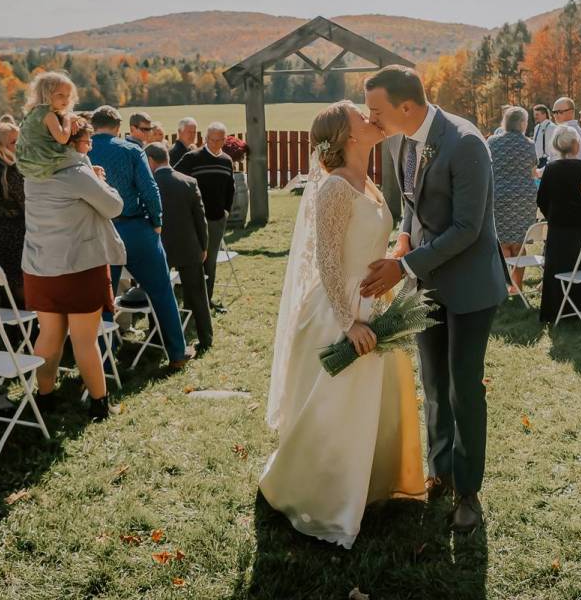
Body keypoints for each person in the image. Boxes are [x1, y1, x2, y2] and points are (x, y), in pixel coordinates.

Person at [259, 101, 425, 549]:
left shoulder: (367, 181)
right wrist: (349, 322)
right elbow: (327, 260)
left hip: (373, 297)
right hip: (338, 310)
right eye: (359, 114)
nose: (370, 116)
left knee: (368, 402)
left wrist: (398, 252)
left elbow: (366, 241)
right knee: (334, 406)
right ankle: (323, 496)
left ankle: (365, 484)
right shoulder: (334, 187)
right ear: (347, 135)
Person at [362, 66, 507, 533]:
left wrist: (402, 267)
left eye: (377, 109)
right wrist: (404, 240)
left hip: (469, 288)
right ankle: (441, 470)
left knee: (464, 387)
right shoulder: (401, 140)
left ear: (406, 106)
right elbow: (411, 203)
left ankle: (469, 490)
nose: (372, 117)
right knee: (433, 382)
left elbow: (467, 228)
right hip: (427, 282)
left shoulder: (466, 144)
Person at [22, 140, 126, 420]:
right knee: (84, 340)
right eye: (85, 138)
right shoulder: (78, 173)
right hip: (78, 267)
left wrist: (92, 179)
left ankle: (44, 398)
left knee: (49, 334)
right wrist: (98, 181)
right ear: (70, 142)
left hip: (40, 266)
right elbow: (114, 206)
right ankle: (99, 404)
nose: (90, 144)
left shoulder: (33, 173)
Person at [89, 105, 191, 369]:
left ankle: (104, 362)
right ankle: (177, 354)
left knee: (103, 300)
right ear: (119, 126)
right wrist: (156, 222)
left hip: (101, 230)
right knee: (161, 291)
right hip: (136, 228)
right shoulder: (132, 150)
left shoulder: (83, 152)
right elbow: (149, 190)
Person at [146, 142, 214, 354]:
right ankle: (205, 338)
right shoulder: (188, 182)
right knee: (197, 295)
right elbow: (200, 220)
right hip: (188, 246)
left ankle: (157, 336)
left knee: (157, 293)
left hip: (159, 249)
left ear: (150, 161)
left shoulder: (148, 184)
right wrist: (204, 247)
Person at [536, 125, 581, 323]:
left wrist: (553, 216)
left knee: (557, 270)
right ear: (575, 144)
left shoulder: (551, 169)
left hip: (559, 229)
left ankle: (556, 309)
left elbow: (542, 199)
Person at [176, 122, 235, 308]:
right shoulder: (192, 158)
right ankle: (190, 303)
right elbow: (174, 178)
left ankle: (206, 301)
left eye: (220, 140)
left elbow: (230, 189)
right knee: (193, 262)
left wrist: (226, 211)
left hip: (217, 219)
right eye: (212, 139)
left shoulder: (227, 160)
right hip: (194, 221)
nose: (216, 143)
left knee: (210, 262)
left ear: (225, 140)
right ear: (205, 138)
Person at [488, 106, 538, 293]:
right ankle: (517, 286)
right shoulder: (529, 144)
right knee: (519, 242)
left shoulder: (492, 142)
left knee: (501, 242)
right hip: (523, 197)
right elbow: (532, 170)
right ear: (523, 123)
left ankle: (502, 285)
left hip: (499, 195)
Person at [15, 71, 81, 179]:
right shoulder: (48, 115)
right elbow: (63, 138)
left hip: (26, 164)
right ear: (46, 94)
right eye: (60, 95)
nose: (66, 100)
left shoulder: (35, 112)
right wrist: (68, 118)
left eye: (68, 96)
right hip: (42, 164)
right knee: (79, 156)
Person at [0, 122, 26, 305]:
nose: (19, 146)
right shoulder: (11, 172)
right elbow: (28, 206)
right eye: (14, 142)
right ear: (0, 146)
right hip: (18, 239)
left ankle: (11, 331)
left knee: (6, 293)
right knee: (22, 297)